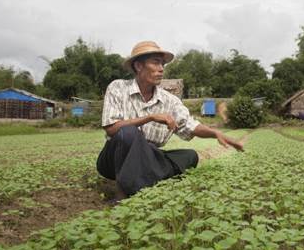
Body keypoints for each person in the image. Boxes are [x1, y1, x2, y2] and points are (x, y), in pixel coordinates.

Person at [96, 40, 244, 202]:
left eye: (163, 65)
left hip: (148, 158)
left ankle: (141, 181)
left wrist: (215, 133)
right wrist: (150, 117)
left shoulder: (170, 101)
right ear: (138, 66)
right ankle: (123, 192)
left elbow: (190, 125)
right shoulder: (118, 88)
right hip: (115, 159)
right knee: (128, 132)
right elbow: (111, 128)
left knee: (189, 156)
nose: (161, 69)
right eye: (156, 63)